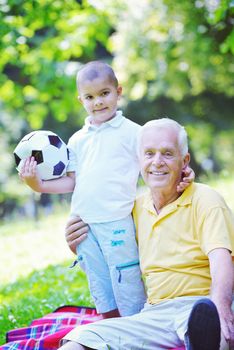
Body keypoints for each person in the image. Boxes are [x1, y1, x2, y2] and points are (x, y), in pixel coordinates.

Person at [19, 61, 193, 319]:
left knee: (127, 278)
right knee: (99, 282)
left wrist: (181, 173)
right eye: (90, 97)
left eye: (104, 94)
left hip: (117, 220)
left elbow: (153, 165)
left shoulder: (134, 133)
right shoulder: (77, 140)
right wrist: (38, 185)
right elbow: (72, 181)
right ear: (80, 100)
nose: (98, 102)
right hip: (83, 223)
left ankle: (135, 325)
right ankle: (110, 327)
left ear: (118, 92)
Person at [60, 118, 234, 350]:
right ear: (138, 160)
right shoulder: (130, 210)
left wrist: (221, 309)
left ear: (185, 161)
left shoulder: (206, 199)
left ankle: (206, 339)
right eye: (149, 153)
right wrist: (79, 246)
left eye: (167, 154)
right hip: (154, 314)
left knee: (216, 335)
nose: (157, 162)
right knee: (80, 339)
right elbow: (112, 256)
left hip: (202, 305)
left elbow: (221, 261)